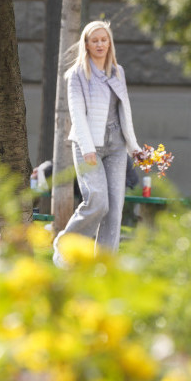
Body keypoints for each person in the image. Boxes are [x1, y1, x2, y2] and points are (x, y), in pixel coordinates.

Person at [53, 21, 140, 263]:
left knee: (114, 211)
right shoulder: (77, 74)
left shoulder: (117, 71)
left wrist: (134, 148)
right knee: (98, 201)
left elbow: (125, 111)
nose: (100, 44)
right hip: (88, 146)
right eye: (95, 40)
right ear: (87, 44)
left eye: (104, 39)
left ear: (109, 42)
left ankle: (104, 266)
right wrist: (88, 147)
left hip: (116, 146)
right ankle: (65, 244)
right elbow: (76, 113)